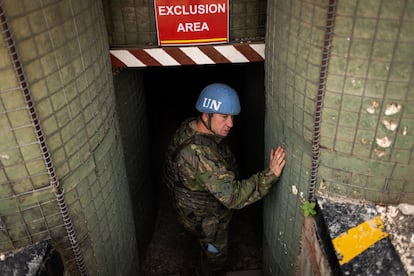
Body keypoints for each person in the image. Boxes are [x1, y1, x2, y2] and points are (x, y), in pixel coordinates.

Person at [163, 83, 286, 275]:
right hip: (206, 222)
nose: (231, 124)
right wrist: (270, 175)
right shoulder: (201, 156)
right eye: (224, 117)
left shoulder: (189, 127)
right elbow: (234, 197)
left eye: (232, 117)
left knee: (203, 247)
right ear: (206, 115)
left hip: (191, 211)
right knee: (215, 261)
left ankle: (202, 253)